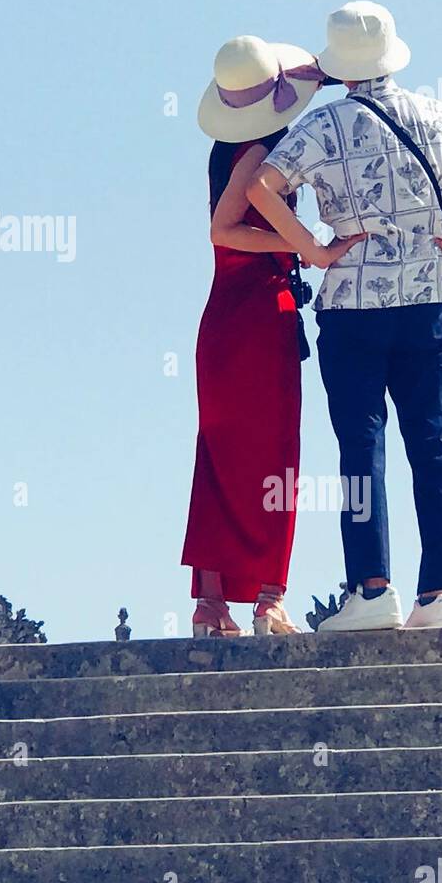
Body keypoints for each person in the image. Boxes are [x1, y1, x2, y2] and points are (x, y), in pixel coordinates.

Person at [247, 1, 442, 632]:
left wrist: (314, 247)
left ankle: (372, 590)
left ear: (340, 64)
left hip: (353, 308)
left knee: (361, 446)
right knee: (433, 446)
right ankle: (439, 596)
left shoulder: (324, 125)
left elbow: (259, 188)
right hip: (430, 302)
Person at [182, 37, 362, 636]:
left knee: (218, 457)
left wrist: (336, 73)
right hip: (261, 311)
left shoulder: (223, 147)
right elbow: (223, 230)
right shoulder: (262, 148)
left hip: (223, 319)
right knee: (276, 456)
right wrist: (305, 246)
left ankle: (211, 606)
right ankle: (268, 599)